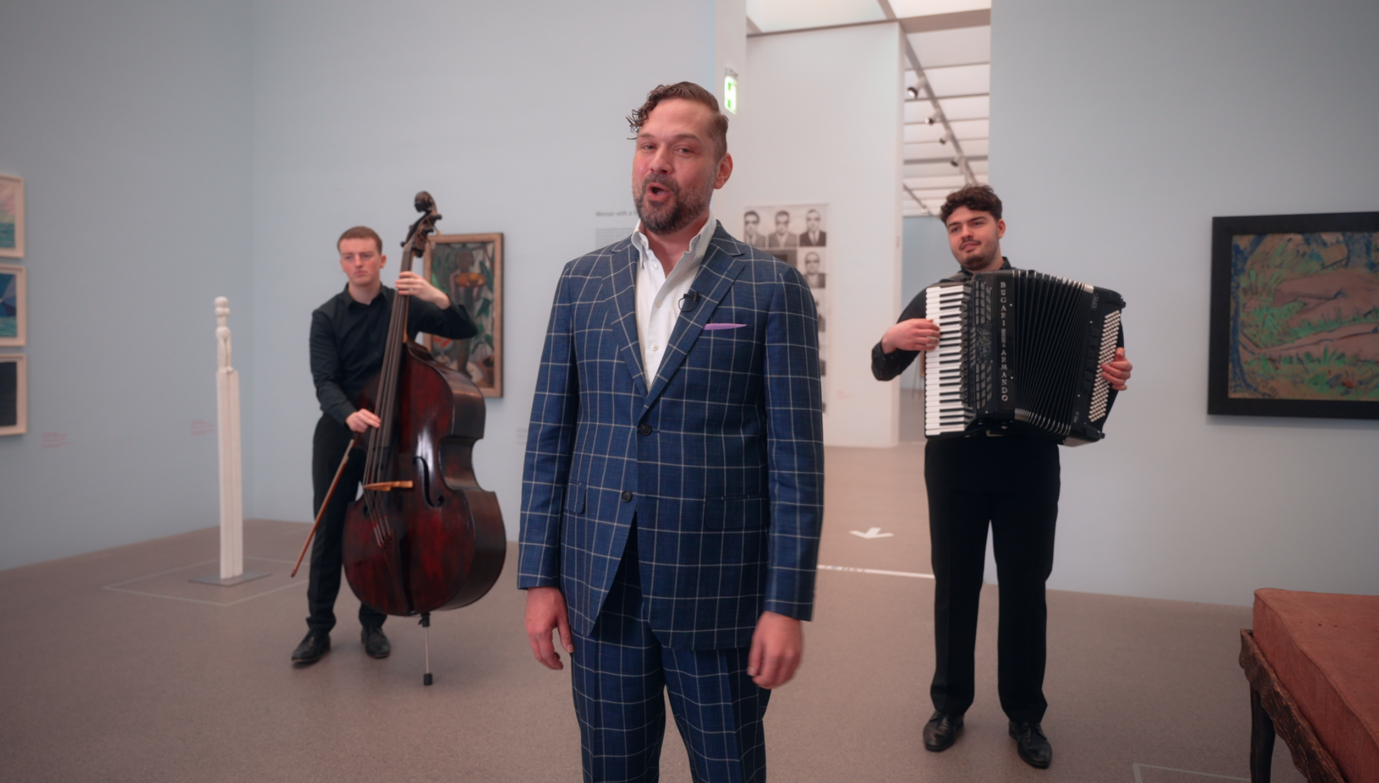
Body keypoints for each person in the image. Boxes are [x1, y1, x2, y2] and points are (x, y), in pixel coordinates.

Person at [520, 81, 824, 783]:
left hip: (717, 594)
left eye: (683, 150)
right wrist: (539, 578)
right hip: (602, 589)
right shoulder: (581, 284)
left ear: (719, 170)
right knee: (612, 771)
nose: (659, 163)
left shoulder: (771, 290)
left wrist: (786, 602)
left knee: (729, 771)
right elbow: (549, 438)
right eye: (647, 146)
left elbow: (796, 463)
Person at [871, 185, 1132, 769]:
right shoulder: (933, 299)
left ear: (1000, 229)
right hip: (954, 464)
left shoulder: (1061, 299)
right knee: (954, 588)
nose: (967, 234)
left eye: (977, 223)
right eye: (956, 226)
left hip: (1029, 464)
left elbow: (1100, 374)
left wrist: (1111, 377)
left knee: (1024, 590)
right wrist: (891, 340)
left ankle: (1025, 715)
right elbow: (882, 366)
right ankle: (949, 706)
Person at [292, 226, 478, 666]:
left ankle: (372, 623)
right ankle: (318, 629)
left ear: (380, 260)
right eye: (349, 256)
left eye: (366, 255)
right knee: (331, 531)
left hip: (395, 434)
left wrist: (435, 295)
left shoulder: (404, 306)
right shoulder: (326, 316)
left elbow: (464, 327)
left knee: (383, 524)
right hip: (343, 433)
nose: (358, 263)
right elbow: (325, 381)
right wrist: (347, 413)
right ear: (341, 263)